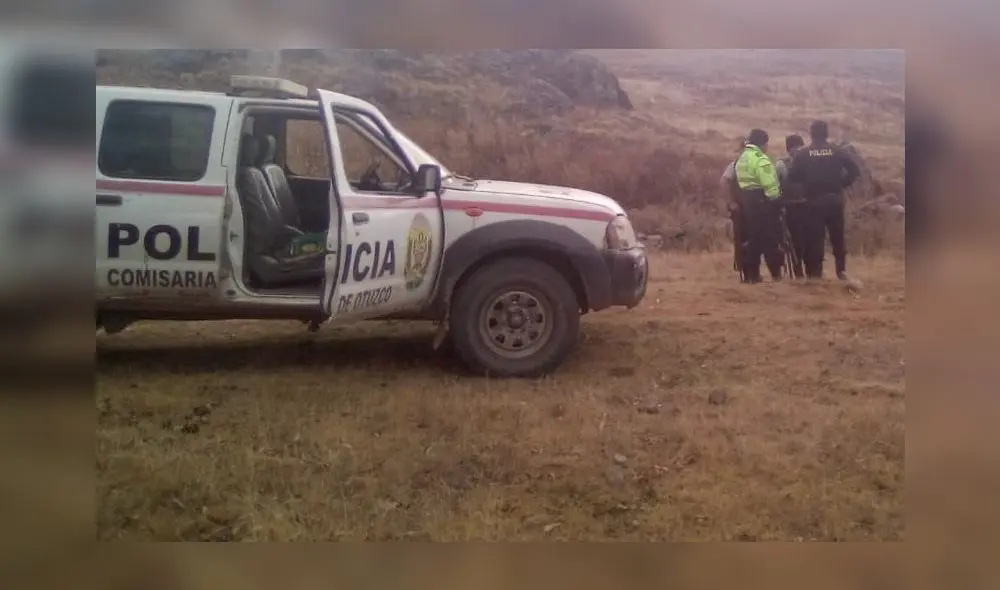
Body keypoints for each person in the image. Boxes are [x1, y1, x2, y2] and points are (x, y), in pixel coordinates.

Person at [788, 120, 861, 280]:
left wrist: (806, 183)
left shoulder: (803, 154)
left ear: (811, 134)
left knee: (815, 238)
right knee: (837, 236)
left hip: (813, 202)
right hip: (835, 199)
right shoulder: (838, 151)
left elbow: (792, 177)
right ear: (826, 133)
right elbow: (855, 171)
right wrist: (842, 183)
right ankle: (841, 270)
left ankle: (815, 274)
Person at [734, 128, 784, 283]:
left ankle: (752, 274)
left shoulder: (742, 158)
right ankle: (776, 274)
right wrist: (777, 201)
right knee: (770, 239)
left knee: (753, 239)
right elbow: (770, 185)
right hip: (762, 203)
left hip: (747, 202)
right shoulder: (761, 159)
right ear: (763, 143)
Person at [777, 134, 807, 278]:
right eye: (797, 148)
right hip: (791, 207)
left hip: (804, 205)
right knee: (795, 241)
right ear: (789, 149)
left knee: (806, 239)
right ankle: (798, 270)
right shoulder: (781, 165)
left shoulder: (782, 164)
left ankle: (808, 269)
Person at [720, 137, 748, 280]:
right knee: (741, 238)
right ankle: (743, 268)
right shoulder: (735, 165)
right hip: (740, 208)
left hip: (750, 207)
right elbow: (724, 182)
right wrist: (731, 203)